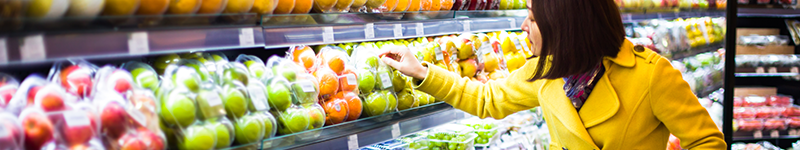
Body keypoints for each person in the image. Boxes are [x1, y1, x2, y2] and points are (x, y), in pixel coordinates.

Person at [378, 0, 726, 149]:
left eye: (532, 16)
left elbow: (708, 142)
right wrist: (422, 71)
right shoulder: (546, 72)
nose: (524, 25)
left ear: (563, 22)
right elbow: (487, 99)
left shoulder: (651, 75)